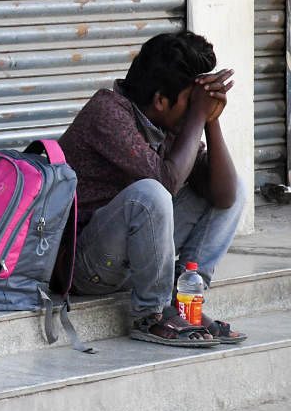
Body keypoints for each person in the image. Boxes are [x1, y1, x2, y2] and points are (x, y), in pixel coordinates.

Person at [58, 30, 248, 347]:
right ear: (160, 99)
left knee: (235, 187)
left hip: (130, 259)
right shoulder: (107, 112)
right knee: (151, 193)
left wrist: (210, 118)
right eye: (191, 104)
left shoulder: (166, 124)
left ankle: (187, 302)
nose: (194, 114)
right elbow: (165, 182)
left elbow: (224, 197)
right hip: (86, 265)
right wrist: (198, 116)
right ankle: (152, 315)